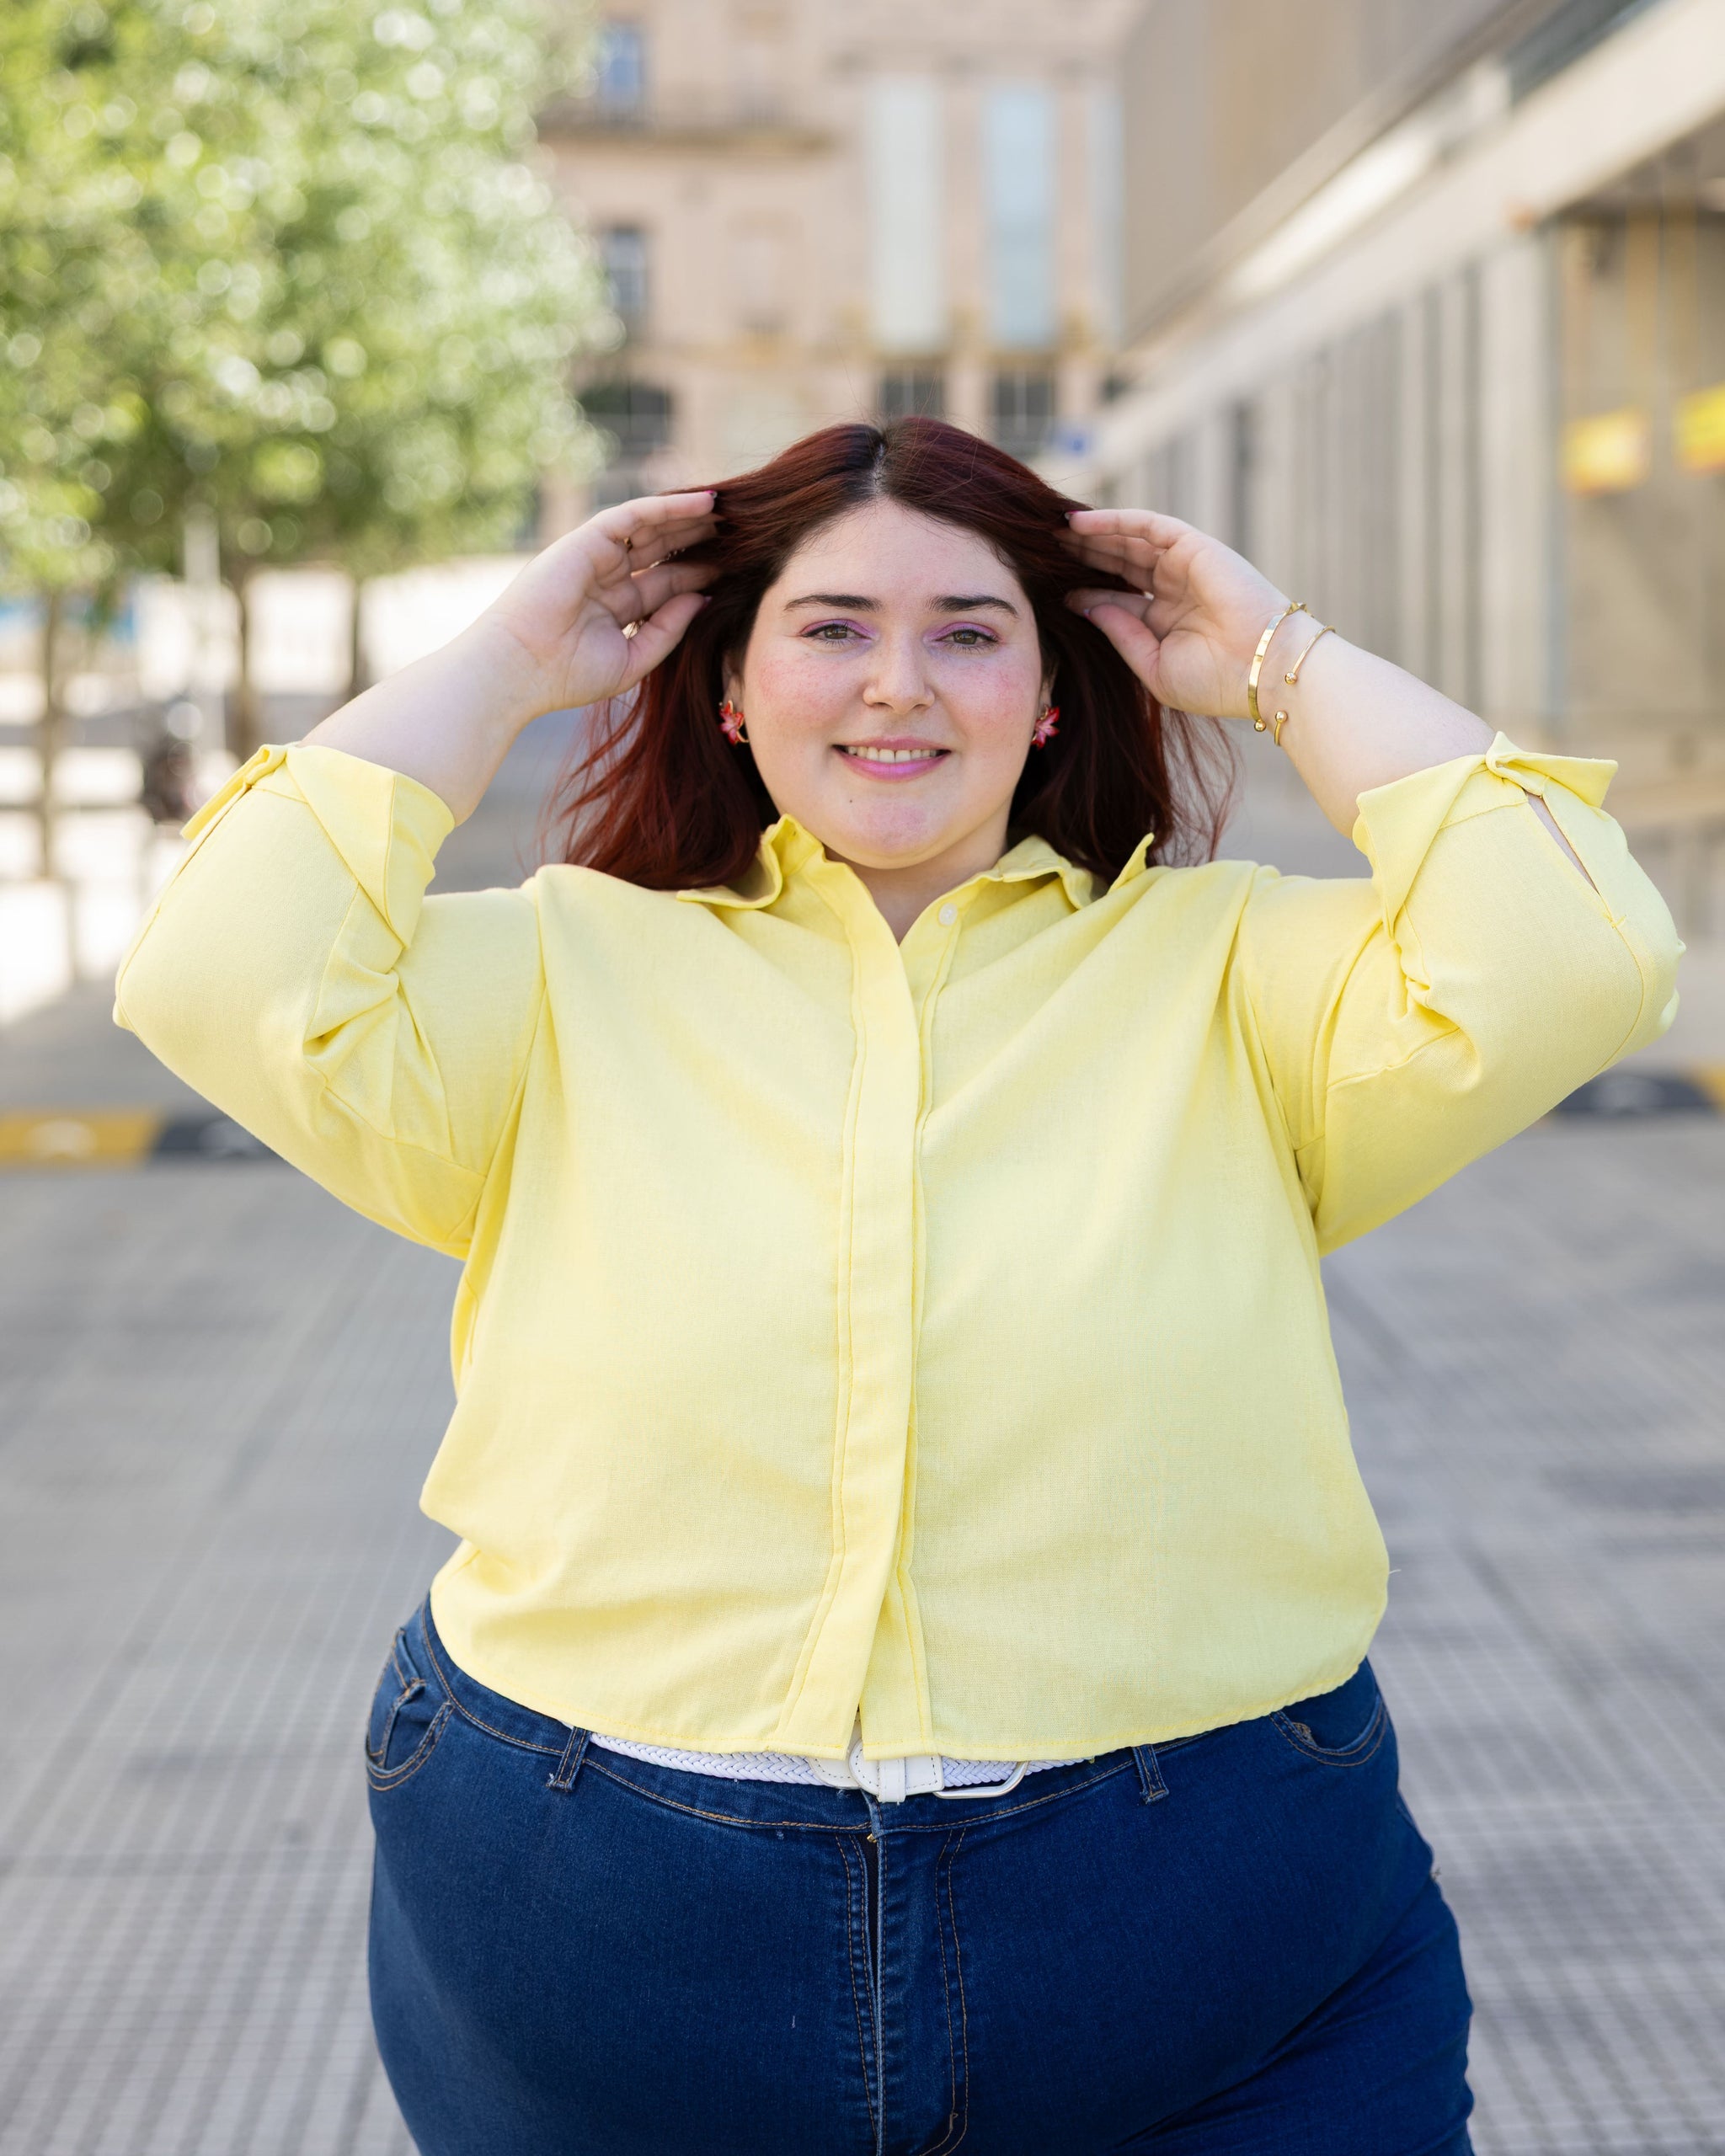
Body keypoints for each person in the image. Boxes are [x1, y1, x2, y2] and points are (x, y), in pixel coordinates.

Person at [115, 418, 1680, 2156]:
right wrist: (502, 664)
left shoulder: (1234, 967)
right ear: (728, 686)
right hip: (612, 1897)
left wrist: (1273, 656)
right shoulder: (559, 965)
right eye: (833, 623)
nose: (899, 683)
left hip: (1193, 1898)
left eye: (968, 628)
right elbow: (217, 964)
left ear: (1055, 687)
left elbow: (1574, 946)